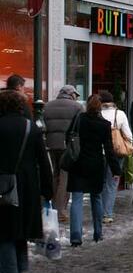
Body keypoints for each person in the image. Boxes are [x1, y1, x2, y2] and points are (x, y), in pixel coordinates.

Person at [0, 90, 53, 273]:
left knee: (5, 232)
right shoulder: (31, 128)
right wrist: (48, 190)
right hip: (28, 186)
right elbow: (43, 160)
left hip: (4, 186)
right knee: (20, 230)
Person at [67, 94, 121, 246]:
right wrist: (116, 169)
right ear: (100, 108)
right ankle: (98, 232)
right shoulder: (104, 124)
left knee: (76, 199)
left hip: (77, 163)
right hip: (96, 164)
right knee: (96, 198)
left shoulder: (79, 119)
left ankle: (76, 236)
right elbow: (109, 149)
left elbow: (68, 137)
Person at [42, 85, 83, 222]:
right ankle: (60, 211)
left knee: (55, 174)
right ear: (71, 94)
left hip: (51, 145)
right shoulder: (77, 107)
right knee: (65, 177)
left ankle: (53, 207)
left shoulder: (47, 106)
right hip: (68, 146)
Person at [100, 90, 132, 224]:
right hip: (116, 153)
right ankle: (107, 214)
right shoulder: (120, 114)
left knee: (100, 183)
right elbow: (129, 135)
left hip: (99, 153)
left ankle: (99, 211)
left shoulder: (96, 114)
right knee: (112, 184)